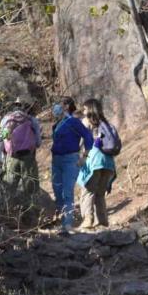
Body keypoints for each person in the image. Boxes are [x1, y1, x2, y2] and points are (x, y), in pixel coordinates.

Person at [51, 96, 93, 234]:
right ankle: (62, 219)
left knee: (67, 192)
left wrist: (85, 157)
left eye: (61, 105)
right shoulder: (56, 125)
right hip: (56, 160)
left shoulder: (74, 122)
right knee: (57, 191)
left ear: (67, 106)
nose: (57, 108)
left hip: (70, 160)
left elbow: (88, 136)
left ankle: (67, 224)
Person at [77, 98, 119, 229]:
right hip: (108, 162)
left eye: (84, 108)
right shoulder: (108, 124)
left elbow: (80, 143)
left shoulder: (86, 122)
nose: (82, 111)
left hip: (93, 160)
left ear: (89, 109)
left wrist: (81, 158)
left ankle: (88, 220)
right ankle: (102, 221)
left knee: (88, 191)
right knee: (100, 193)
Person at [0, 96, 42, 223]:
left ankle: (8, 216)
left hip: (12, 157)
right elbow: (38, 141)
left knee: (9, 187)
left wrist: (2, 154)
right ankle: (31, 218)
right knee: (30, 187)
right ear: (24, 107)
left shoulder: (6, 119)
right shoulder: (32, 119)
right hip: (28, 157)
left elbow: (2, 137)